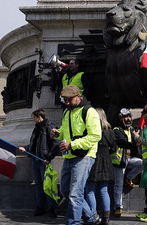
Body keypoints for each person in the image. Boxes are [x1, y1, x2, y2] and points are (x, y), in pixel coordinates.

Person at [51, 85, 102, 225]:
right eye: (64, 100)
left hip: (85, 156)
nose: (66, 103)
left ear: (78, 96)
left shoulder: (89, 111)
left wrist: (72, 145)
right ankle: (91, 217)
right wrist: (59, 133)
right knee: (66, 190)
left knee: (75, 193)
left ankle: (73, 222)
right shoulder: (67, 111)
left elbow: (96, 136)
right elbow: (66, 130)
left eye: (69, 100)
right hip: (69, 156)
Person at [18, 109, 60, 217]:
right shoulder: (36, 129)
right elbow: (34, 144)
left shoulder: (49, 127)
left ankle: (52, 208)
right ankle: (40, 207)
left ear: (39, 117)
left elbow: (56, 144)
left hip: (43, 161)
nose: (33, 120)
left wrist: (49, 158)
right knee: (38, 185)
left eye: (34, 118)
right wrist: (26, 149)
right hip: (35, 160)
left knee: (47, 186)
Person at [85, 108, 115, 225]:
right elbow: (113, 148)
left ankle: (92, 216)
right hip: (106, 161)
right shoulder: (110, 131)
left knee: (90, 190)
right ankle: (106, 218)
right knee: (103, 190)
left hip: (93, 160)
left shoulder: (91, 130)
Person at [111, 108, 143, 217]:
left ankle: (129, 177)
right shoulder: (117, 130)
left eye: (129, 116)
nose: (128, 119)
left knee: (143, 163)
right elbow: (121, 142)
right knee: (118, 185)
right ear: (121, 119)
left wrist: (137, 136)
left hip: (130, 159)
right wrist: (134, 144)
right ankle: (117, 207)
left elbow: (139, 141)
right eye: (126, 117)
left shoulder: (132, 130)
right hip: (119, 161)